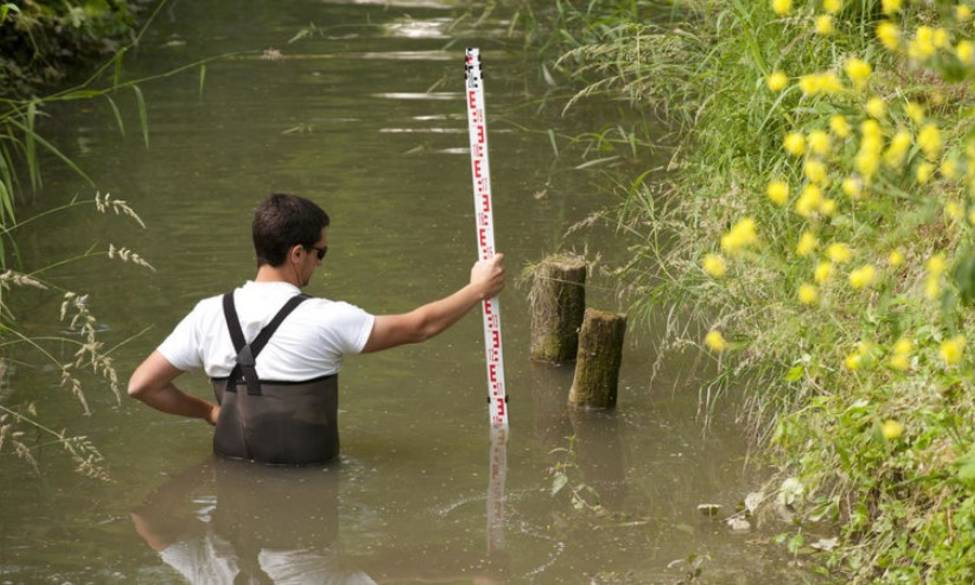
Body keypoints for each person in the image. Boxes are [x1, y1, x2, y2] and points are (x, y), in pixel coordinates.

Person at [128, 192, 505, 464]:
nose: (320, 263)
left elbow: (142, 385)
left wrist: (210, 413)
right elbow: (419, 327)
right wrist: (477, 289)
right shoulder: (324, 318)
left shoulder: (207, 314)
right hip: (308, 484)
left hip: (231, 480)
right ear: (297, 253)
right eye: (319, 253)